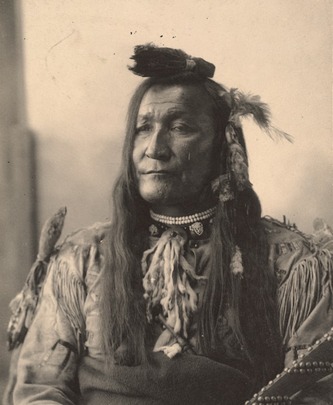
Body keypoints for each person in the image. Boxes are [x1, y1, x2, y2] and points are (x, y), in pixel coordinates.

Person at [5, 44, 333, 405]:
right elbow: (40, 390)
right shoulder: (82, 260)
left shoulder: (289, 265)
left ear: (225, 147)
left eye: (180, 127)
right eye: (143, 129)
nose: (154, 148)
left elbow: (313, 393)